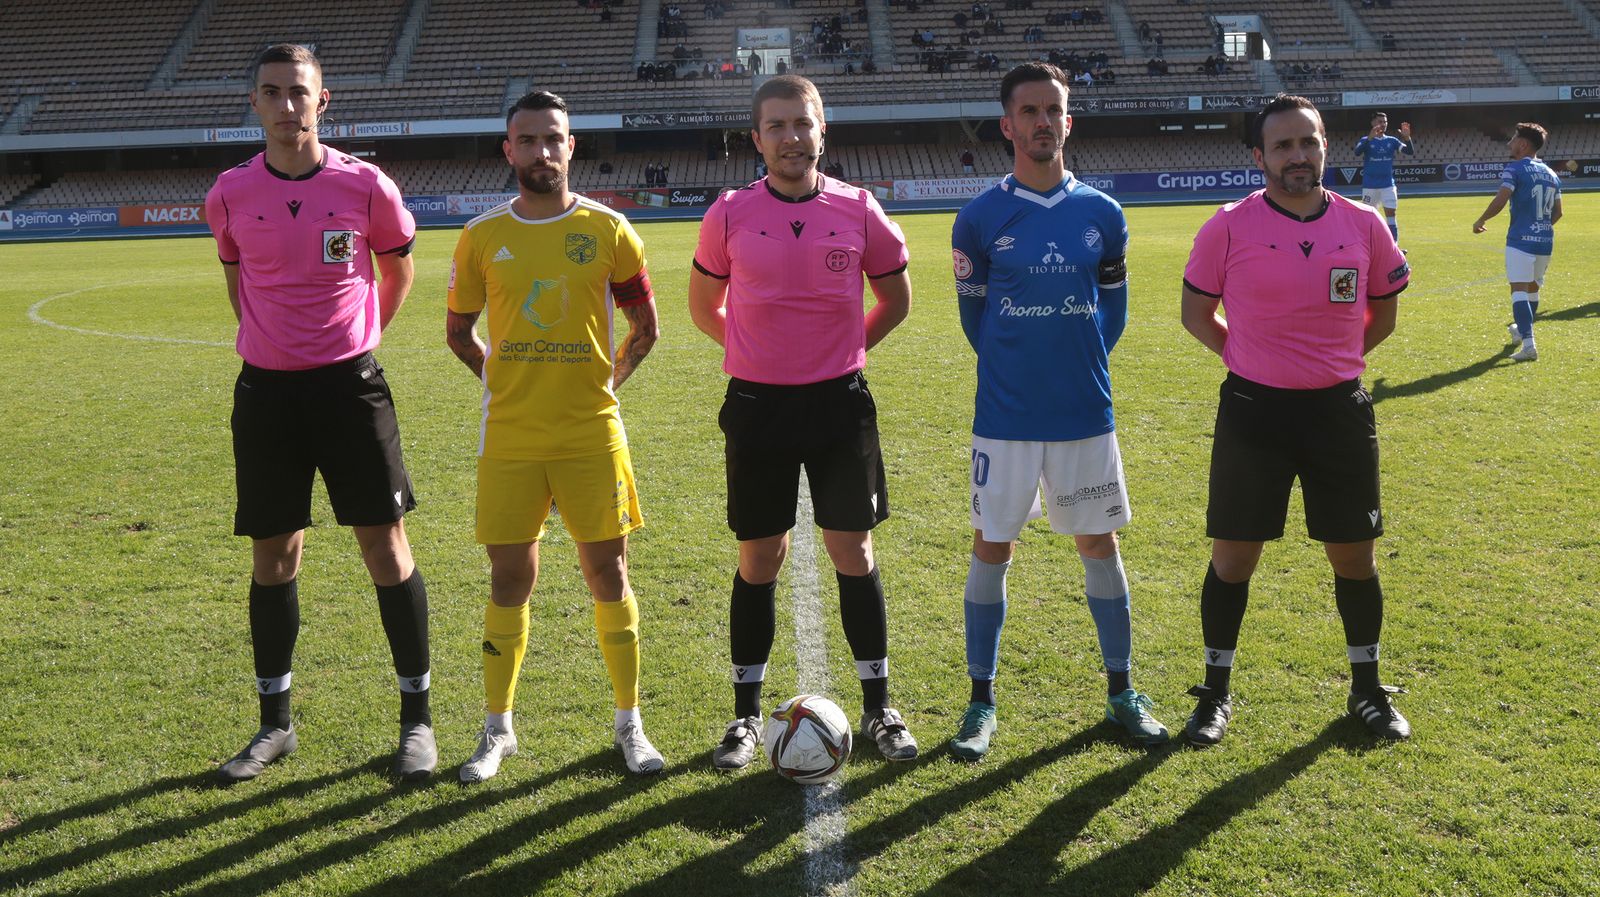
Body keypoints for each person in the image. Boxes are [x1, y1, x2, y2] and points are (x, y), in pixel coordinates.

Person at [204, 43, 435, 784]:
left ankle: (417, 721)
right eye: (271, 92)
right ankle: (275, 724)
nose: (286, 105)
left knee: (385, 548)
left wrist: (358, 338)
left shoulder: (366, 186)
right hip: (266, 394)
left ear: (323, 100)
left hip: (349, 389)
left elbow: (396, 270)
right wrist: (274, 344)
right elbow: (239, 281)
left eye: (298, 92)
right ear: (255, 103)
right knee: (274, 556)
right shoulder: (230, 193)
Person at [687, 75, 918, 769]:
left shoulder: (859, 209)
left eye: (803, 123)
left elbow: (896, 299)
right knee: (760, 558)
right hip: (758, 406)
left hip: (839, 404)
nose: (792, 137)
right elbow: (704, 306)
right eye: (777, 126)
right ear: (756, 139)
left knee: (855, 553)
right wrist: (756, 355)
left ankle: (880, 708)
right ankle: (744, 717)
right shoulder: (729, 213)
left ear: (824, 131)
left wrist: (842, 351)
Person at [946, 63, 1168, 761]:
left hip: (1083, 414)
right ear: (1007, 125)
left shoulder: (1103, 213)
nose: (1044, 121)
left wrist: (1077, 366)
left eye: (1055, 110)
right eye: (1030, 111)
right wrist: (1020, 370)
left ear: (1069, 122)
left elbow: (1115, 311)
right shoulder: (979, 217)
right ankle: (981, 701)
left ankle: (1122, 692)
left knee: (1099, 544)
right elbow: (974, 319)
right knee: (992, 546)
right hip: (1005, 418)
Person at [1179, 94, 1412, 746]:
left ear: (1325, 147)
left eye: (1307, 142)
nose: (1297, 156)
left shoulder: (1365, 224)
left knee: (1355, 558)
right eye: (1282, 146)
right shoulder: (1227, 226)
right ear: (1259, 156)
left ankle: (1367, 689)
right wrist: (1250, 360)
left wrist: (1334, 362)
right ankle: (1215, 692)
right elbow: (1197, 315)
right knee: (1233, 560)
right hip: (1254, 412)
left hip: (1338, 411)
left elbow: (1385, 314)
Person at [445, 91, 664, 781]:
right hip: (508, 436)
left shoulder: (609, 229)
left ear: (572, 147)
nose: (542, 151)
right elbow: (458, 331)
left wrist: (603, 386)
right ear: (507, 150)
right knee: (510, 577)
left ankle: (630, 724)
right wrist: (500, 381)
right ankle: (497, 727)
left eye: (554, 139)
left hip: (589, 434)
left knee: (609, 573)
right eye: (528, 139)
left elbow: (645, 328)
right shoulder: (481, 236)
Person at [1473, 122, 1562, 362]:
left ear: (1523, 144)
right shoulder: (1551, 173)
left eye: (1513, 139)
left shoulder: (1515, 169)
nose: (1509, 143)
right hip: (1544, 241)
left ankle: (1529, 344)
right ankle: (1521, 331)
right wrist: (1540, 227)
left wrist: (1481, 219)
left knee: (1518, 291)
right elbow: (1558, 213)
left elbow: (1501, 199)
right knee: (1532, 290)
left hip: (1520, 241)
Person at [1353, 112, 1415, 242]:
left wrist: (1407, 138)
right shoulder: (1365, 140)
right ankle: (1369, 245)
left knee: (1391, 214)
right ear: (1373, 123)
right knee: (1368, 216)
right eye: (1380, 121)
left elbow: (1409, 152)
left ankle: (1394, 247)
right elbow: (1357, 152)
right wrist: (1369, 138)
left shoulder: (1392, 141)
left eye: (1385, 122)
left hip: (1388, 185)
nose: (1383, 124)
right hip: (1370, 186)